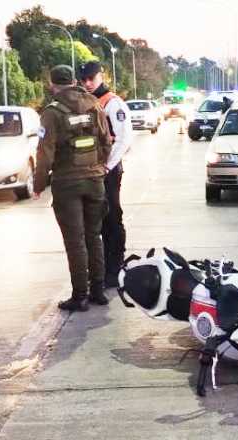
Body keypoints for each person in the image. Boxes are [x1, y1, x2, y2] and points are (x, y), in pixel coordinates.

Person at [33, 65, 113, 311]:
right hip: (94, 181)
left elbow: (44, 152)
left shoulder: (52, 112)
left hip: (67, 183)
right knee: (94, 235)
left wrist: (38, 184)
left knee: (75, 241)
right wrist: (99, 167)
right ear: (75, 81)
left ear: (52, 83)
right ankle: (98, 291)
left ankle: (80, 296)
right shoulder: (94, 105)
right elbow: (106, 140)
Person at [77, 61, 133, 290]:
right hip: (89, 172)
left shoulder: (113, 103)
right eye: (84, 79)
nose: (88, 83)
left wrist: (107, 168)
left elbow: (123, 140)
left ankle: (115, 269)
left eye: (92, 78)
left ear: (101, 76)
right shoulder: (84, 102)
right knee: (93, 224)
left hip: (107, 173)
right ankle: (99, 270)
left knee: (111, 220)